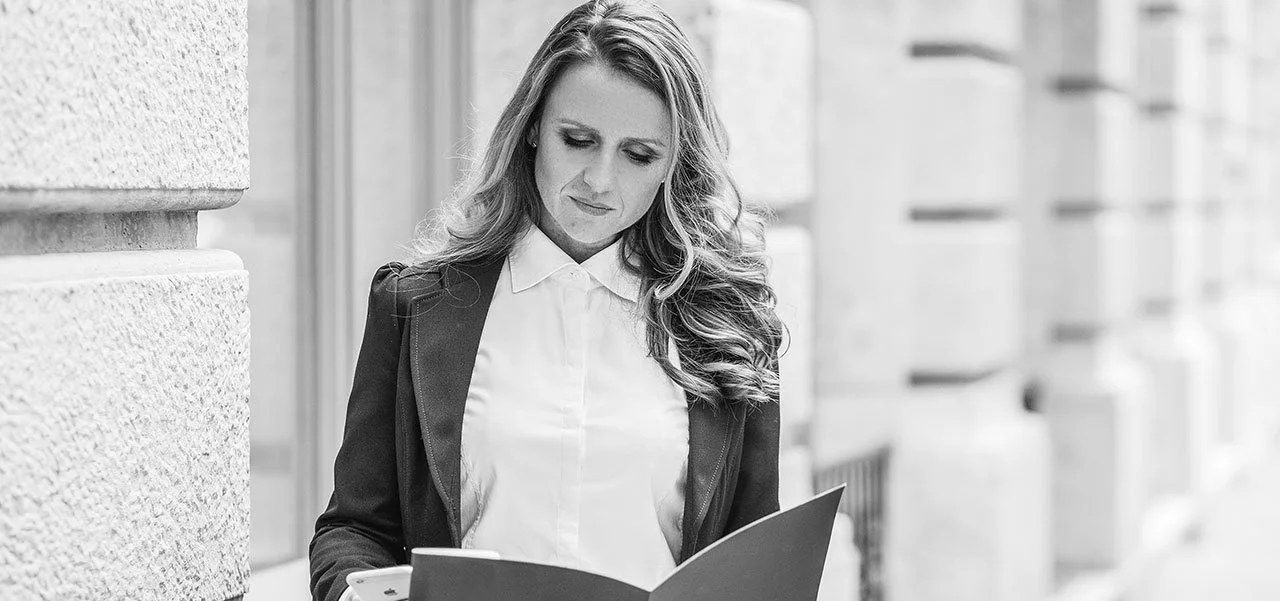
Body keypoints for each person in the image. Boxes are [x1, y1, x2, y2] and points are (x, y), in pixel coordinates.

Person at [309, 1, 784, 599]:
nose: (600, 180)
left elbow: (759, 566)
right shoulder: (417, 304)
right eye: (579, 140)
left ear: (673, 165)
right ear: (532, 128)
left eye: (640, 154)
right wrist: (358, 592)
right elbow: (355, 528)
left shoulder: (728, 323)